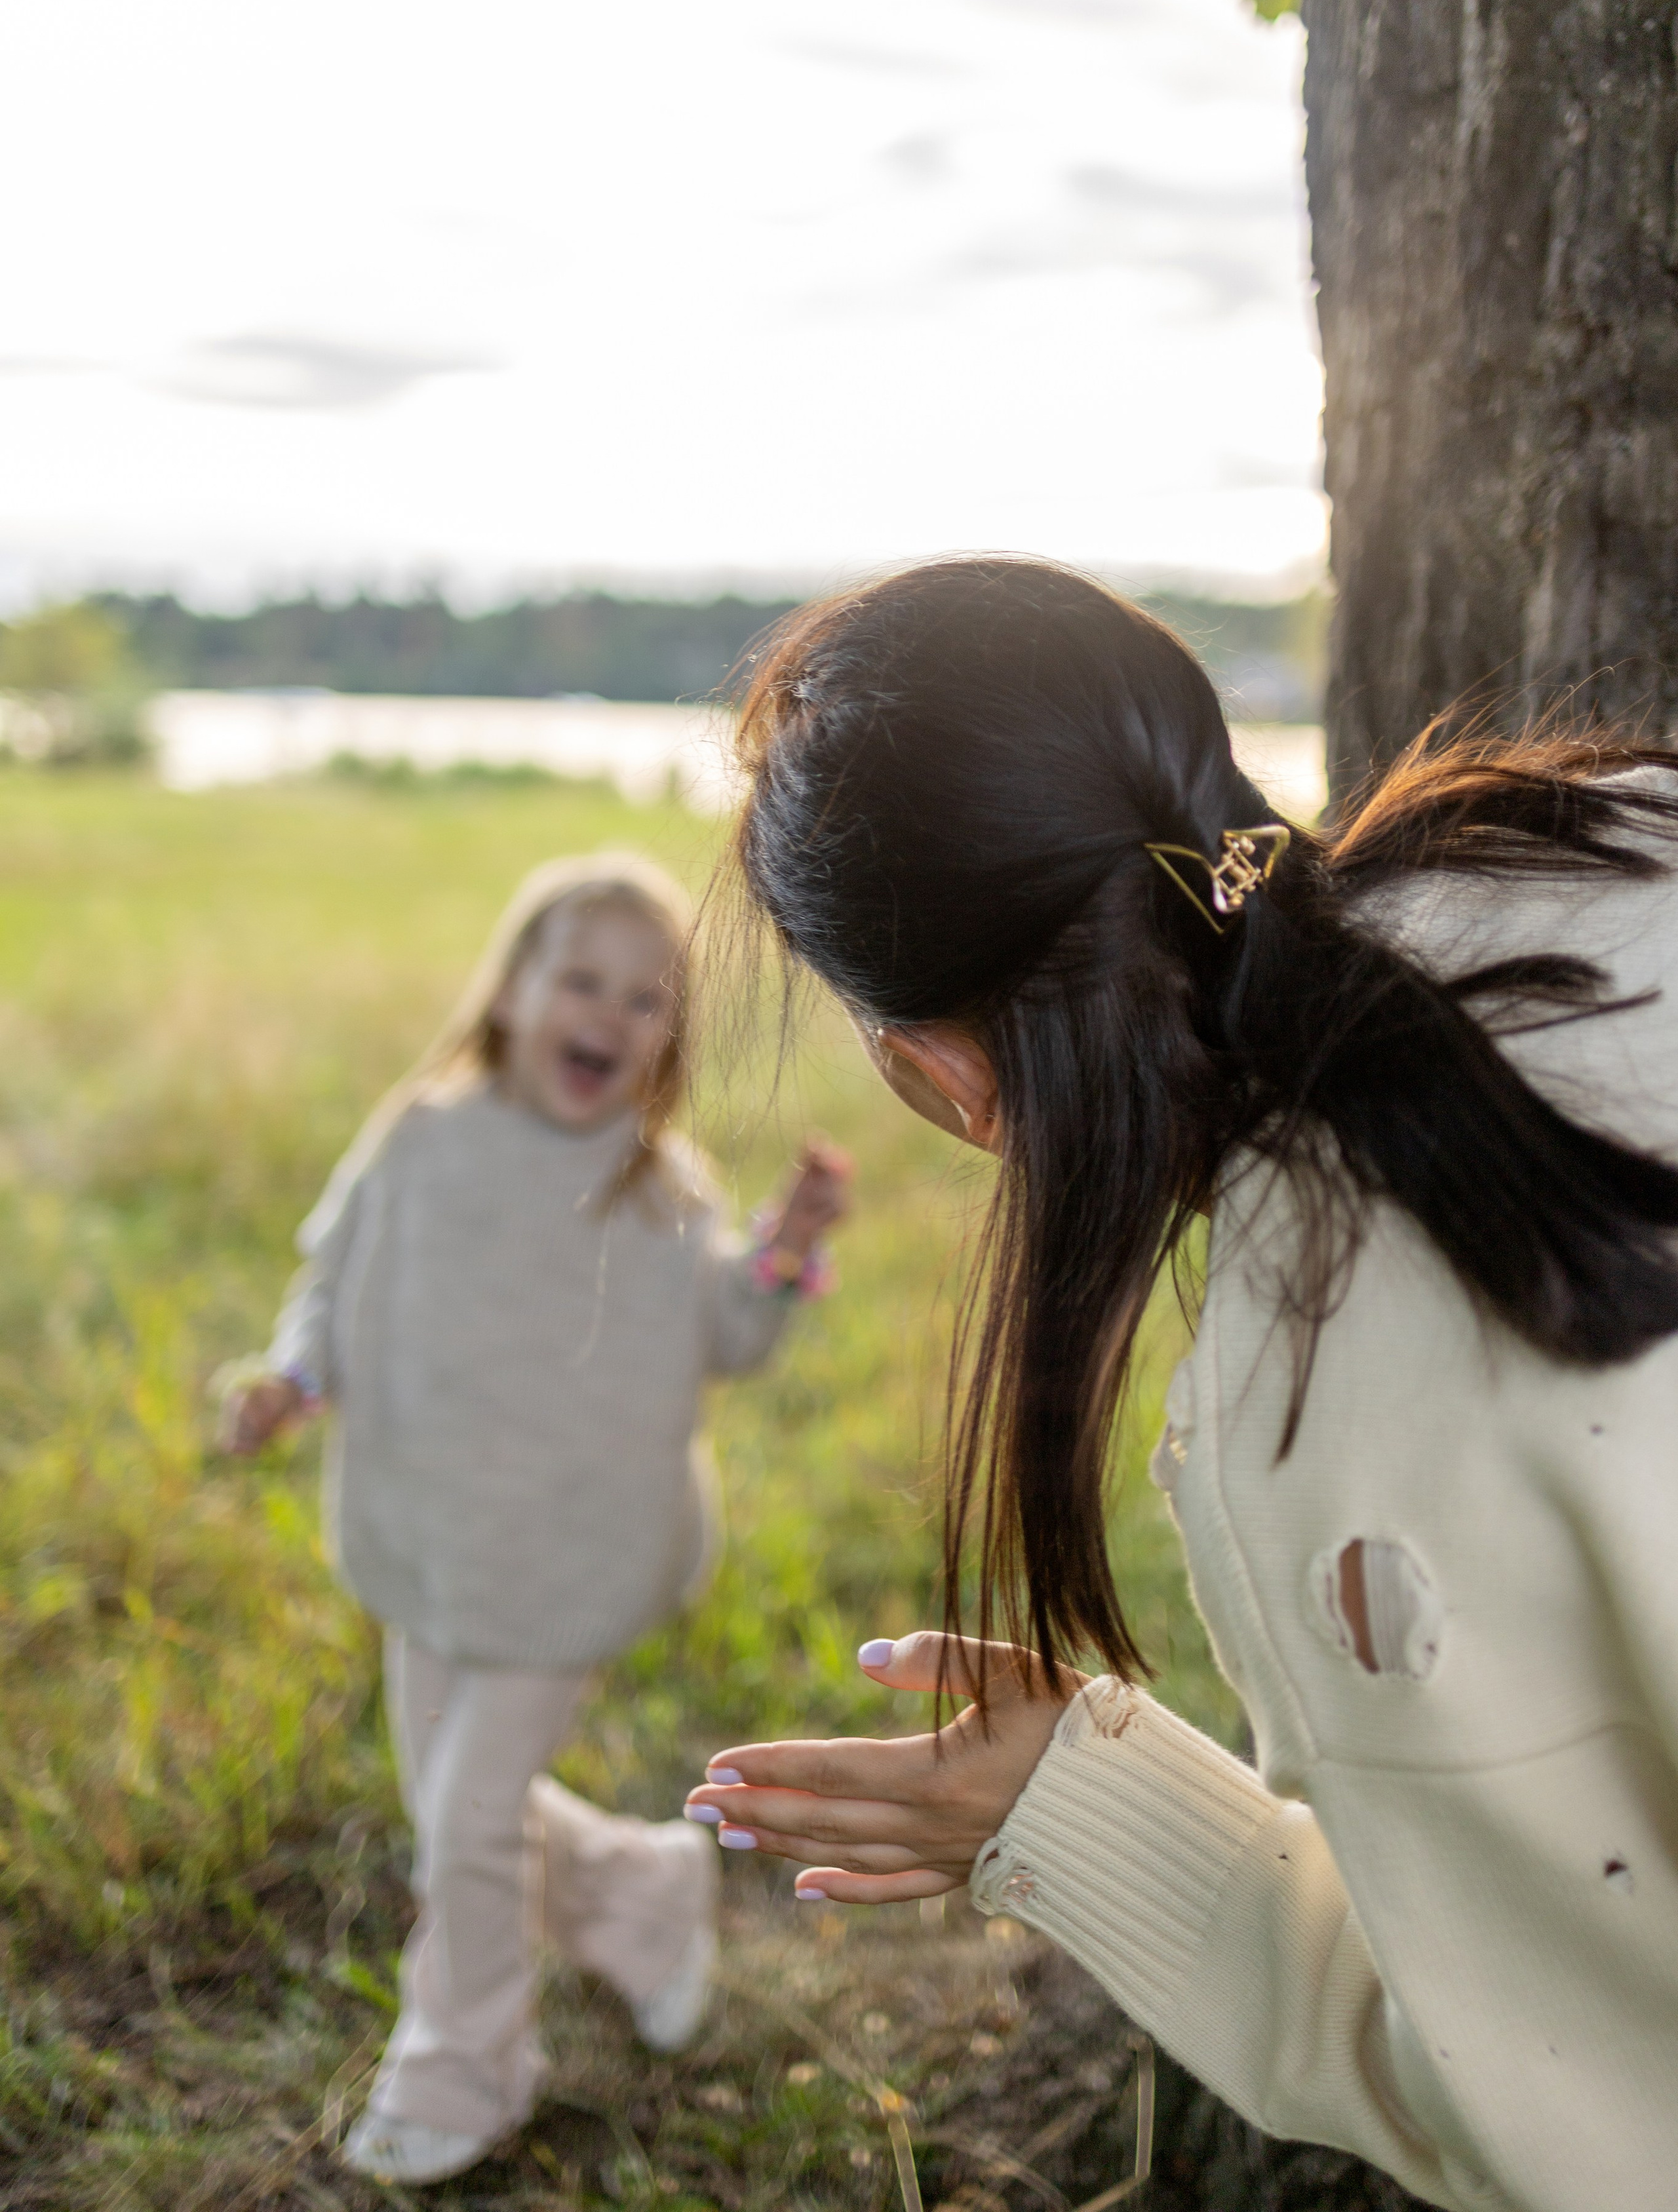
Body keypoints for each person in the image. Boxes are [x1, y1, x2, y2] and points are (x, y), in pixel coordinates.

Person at [678, 558, 1678, 2212]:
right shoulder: (1613, 835)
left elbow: (1587, 2124)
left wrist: (1076, 1801)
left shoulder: (1324, 1429)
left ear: (937, 1080)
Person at [223, 852, 850, 2188]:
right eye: (582, 981)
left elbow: (732, 1332)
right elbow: (334, 1276)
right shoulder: (422, 1134)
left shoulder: (657, 1188)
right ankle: (641, 1893)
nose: (610, 1016)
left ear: (667, 1039)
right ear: (511, 992)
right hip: (436, 1527)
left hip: (573, 1547)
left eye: (646, 999)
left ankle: (467, 2063)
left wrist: (784, 1248)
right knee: (452, 1796)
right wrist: (294, 1376)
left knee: (463, 1817)